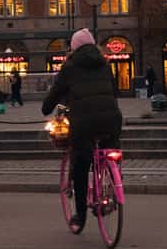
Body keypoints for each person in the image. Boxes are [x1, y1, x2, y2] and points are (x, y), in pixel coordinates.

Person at [42, 29, 122, 232]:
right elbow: (114, 91)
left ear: (74, 47)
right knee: (111, 151)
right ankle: (112, 188)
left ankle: (80, 216)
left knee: (80, 165)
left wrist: (46, 108)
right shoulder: (104, 64)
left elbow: (56, 92)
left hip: (83, 123)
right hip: (111, 119)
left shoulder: (70, 66)